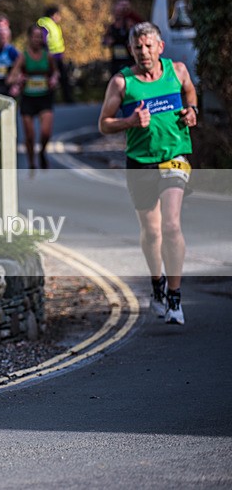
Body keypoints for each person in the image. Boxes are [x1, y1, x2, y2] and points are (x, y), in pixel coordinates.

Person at [98, 22, 198, 325]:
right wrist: (129, 122)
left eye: (149, 46)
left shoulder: (177, 71)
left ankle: (175, 296)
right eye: (138, 47)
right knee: (152, 232)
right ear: (131, 50)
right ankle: (158, 283)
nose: (144, 52)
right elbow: (104, 123)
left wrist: (192, 109)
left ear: (160, 47)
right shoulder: (122, 83)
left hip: (174, 157)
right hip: (140, 160)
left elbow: (190, 92)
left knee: (171, 226)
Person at [7, 24, 59, 171]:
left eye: (40, 37)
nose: (37, 40)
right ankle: (31, 163)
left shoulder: (47, 56)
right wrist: (19, 79)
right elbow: (11, 78)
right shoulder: (23, 57)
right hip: (28, 98)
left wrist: (54, 78)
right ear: (29, 38)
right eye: (34, 37)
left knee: (45, 132)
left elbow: (55, 73)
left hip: (44, 98)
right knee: (29, 136)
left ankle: (42, 152)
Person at [37, 6, 73, 103]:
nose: (59, 17)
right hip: (51, 57)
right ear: (53, 15)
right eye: (58, 15)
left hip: (57, 56)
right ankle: (52, 100)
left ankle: (66, 99)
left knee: (62, 78)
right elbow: (44, 40)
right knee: (53, 78)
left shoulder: (53, 25)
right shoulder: (46, 24)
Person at [102, 0, 143, 77]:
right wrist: (108, 41)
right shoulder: (112, 25)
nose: (123, 9)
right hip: (116, 61)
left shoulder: (131, 21)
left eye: (125, 6)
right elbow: (105, 41)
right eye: (121, 6)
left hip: (129, 61)